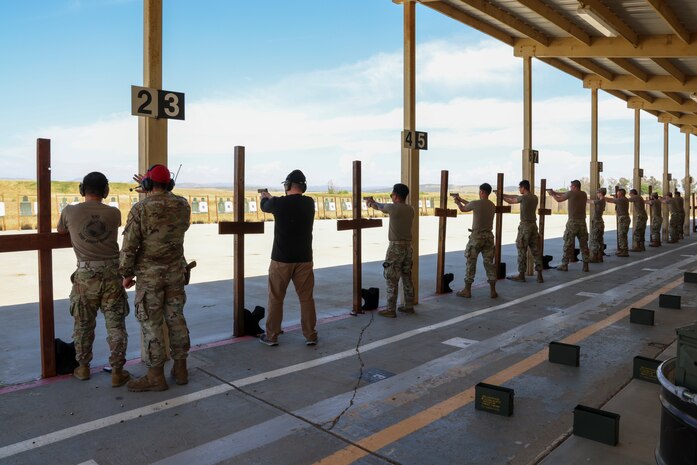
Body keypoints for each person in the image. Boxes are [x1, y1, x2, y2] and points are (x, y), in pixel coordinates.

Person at [120, 164, 191, 392]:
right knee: (176, 318)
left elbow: (130, 245)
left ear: (148, 185)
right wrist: (152, 192)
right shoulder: (183, 205)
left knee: (151, 324)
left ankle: (155, 377)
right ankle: (180, 369)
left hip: (150, 276)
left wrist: (126, 273)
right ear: (170, 184)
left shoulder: (140, 208)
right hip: (175, 272)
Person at [57, 172, 130, 387]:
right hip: (112, 276)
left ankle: (83, 368)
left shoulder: (70, 211)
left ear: (82, 190)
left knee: (83, 325)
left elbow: (61, 229)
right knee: (115, 325)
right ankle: (117, 371)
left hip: (85, 278)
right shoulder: (114, 213)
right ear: (106, 191)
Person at [258, 169, 317, 346]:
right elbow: (290, 203)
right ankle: (310, 335)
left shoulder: (279, 203)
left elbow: (265, 207)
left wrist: (264, 197)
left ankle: (272, 335)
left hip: (281, 260)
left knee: (276, 298)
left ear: (288, 185)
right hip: (304, 259)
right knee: (306, 298)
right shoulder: (309, 203)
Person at [365, 183, 415, 317]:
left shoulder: (393, 208)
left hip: (396, 247)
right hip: (408, 247)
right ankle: (409, 306)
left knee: (391, 278)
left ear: (396, 196)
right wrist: (374, 202)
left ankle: (391, 309)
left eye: (392, 194)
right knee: (407, 277)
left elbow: (380, 207)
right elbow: (384, 206)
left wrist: (370, 203)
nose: (391, 197)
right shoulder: (411, 209)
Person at [452, 183, 498, 298]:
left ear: (481, 191)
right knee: (489, 263)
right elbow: (472, 205)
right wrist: (461, 199)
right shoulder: (492, 205)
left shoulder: (476, 204)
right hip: (489, 238)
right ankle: (493, 290)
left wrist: (457, 202)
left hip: (476, 238)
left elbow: (464, 208)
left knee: (471, 262)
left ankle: (467, 290)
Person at [500, 180, 543, 283]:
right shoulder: (534, 197)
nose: (519, 189)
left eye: (520, 188)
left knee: (521, 250)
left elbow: (511, 201)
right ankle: (540, 275)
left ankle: (521, 275)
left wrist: (500, 197)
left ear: (523, 188)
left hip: (525, 226)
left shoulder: (523, 198)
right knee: (536, 251)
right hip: (533, 226)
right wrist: (503, 194)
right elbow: (515, 196)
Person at [547, 180, 590, 271]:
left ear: (574, 186)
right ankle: (585, 265)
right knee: (584, 245)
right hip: (582, 222)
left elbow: (559, 199)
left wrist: (553, 194)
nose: (570, 187)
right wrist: (555, 192)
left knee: (568, 244)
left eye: (571, 186)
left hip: (573, 222)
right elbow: (567, 193)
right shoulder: (584, 194)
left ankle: (564, 264)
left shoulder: (571, 193)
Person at [605, 188, 630, 257]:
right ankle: (622, 249)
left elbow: (610, 200)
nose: (617, 194)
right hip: (623, 218)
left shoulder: (622, 199)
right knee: (621, 235)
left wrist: (602, 197)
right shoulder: (622, 199)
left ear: (621, 194)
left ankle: (624, 251)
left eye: (618, 193)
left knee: (622, 235)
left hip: (623, 218)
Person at [586, 188, 606, 263]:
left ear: (600, 193)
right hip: (600, 221)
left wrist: (582, 197)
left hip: (597, 222)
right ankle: (600, 256)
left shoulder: (600, 201)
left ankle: (594, 257)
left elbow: (589, 201)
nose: (597, 194)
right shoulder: (603, 201)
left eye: (598, 193)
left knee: (594, 239)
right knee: (600, 240)